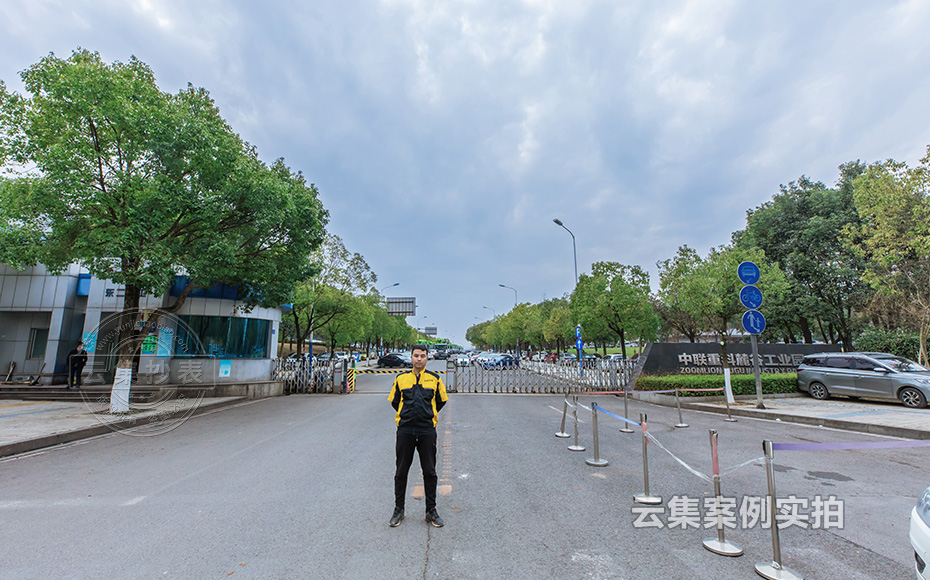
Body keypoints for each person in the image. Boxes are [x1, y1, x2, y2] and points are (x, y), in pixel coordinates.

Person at [388, 343, 448, 528]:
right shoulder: (401, 379)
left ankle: (431, 510)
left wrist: (427, 415)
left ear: (427, 357)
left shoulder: (435, 379)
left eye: (422, 356)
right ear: (411, 357)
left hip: (426, 430)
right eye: (416, 355)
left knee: (429, 471)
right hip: (405, 430)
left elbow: (441, 401)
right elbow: (395, 402)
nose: (419, 359)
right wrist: (407, 416)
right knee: (401, 471)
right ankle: (399, 509)